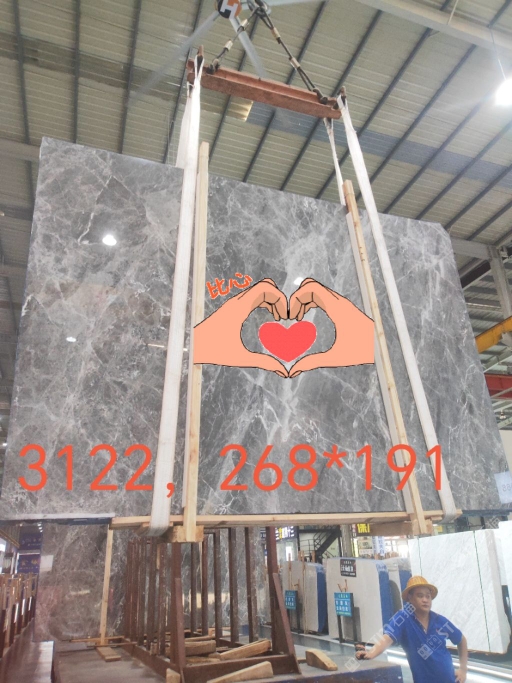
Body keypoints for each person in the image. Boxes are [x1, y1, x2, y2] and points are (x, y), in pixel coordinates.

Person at [356, 576, 468, 683]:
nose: (425, 600)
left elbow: (461, 640)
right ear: (410, 598)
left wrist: (463, 669)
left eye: (428, 596)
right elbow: (387, 638)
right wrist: (371, 653)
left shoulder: (440, 621)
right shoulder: (403, 619)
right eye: (420, 596)